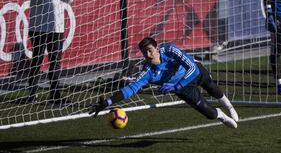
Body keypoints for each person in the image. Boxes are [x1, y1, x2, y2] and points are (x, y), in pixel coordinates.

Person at [89, 37, 239, 128]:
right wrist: (108, 102)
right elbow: (130, 89)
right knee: (210, 114)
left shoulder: (170, 50)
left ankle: (229, 106)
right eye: (144, 53)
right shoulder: (147, 72)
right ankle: (222, 115)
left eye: (150, 50)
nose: (148, 55)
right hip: (183, 89)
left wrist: (176, 86)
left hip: (193, 73)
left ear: (157, 48)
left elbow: (192, 68)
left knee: (212, 88)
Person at [27, 0, 74, 104]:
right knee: (37, 60)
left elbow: (69, 0)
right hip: (39, 27)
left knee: (55, 63)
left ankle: (55, 96)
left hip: (56, 28)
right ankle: (32, 94)